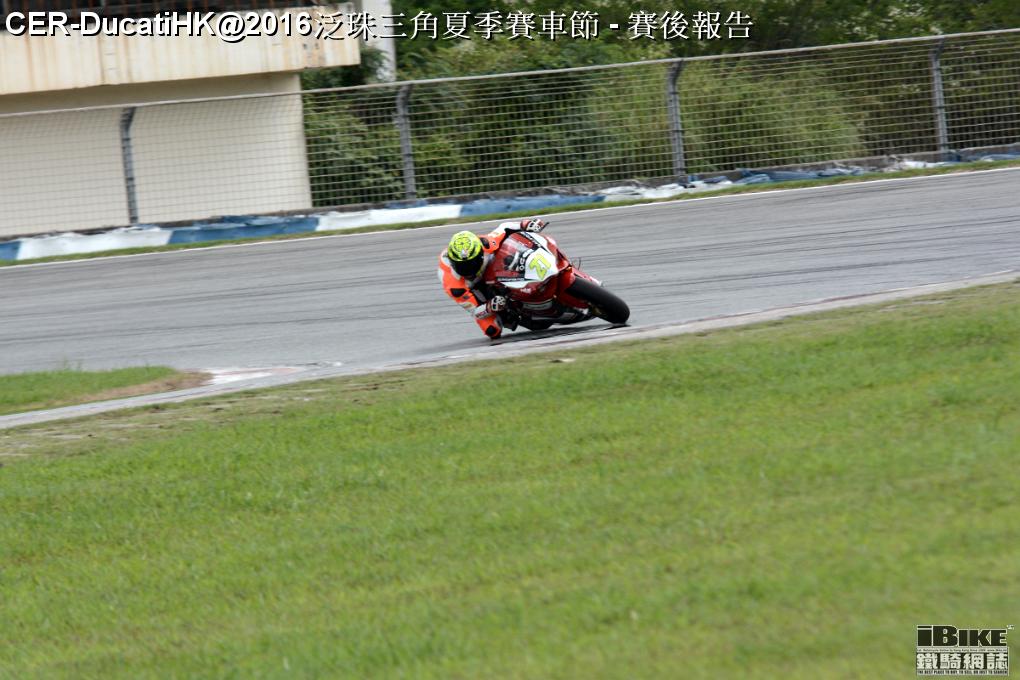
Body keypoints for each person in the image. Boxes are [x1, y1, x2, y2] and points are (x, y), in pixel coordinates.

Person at [437, 218, 547, 339]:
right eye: (461, 266)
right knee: (493, 331)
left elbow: (505, 227)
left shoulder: (486, 243)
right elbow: (475, 312)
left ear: (480, 253)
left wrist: (526, 224)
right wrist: (490, 307)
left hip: (490, 267)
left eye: (471, 264)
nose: (468, 270)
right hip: (471, 287)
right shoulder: (455, 286)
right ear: (452, 262)